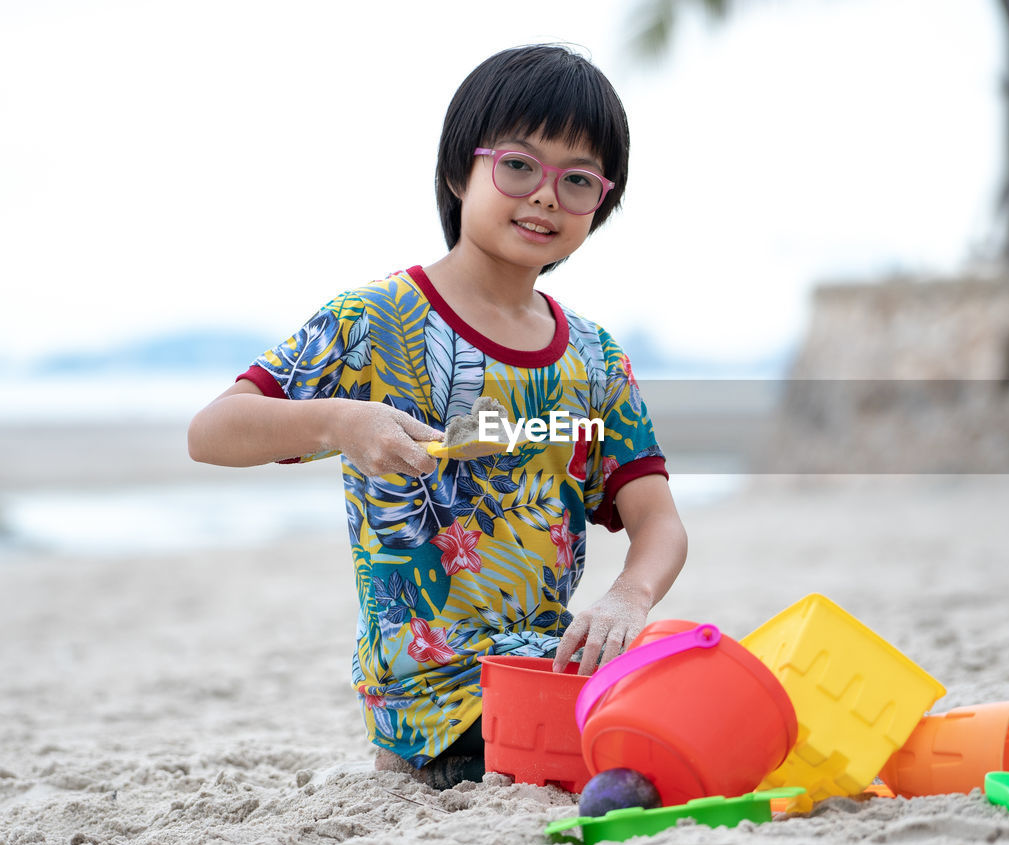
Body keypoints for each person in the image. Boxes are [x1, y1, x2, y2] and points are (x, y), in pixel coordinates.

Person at [187, 45, 688, 789]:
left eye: (577, 180)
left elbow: (660, 523)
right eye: (519, 166)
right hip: (431, 698)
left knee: (704, 692)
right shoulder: (376, 319)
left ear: (600, 204)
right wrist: (340, 423)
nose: (546, 196)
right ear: (461, 172)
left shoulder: (593, 357)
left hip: (548, 666)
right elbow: (211, 431)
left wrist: (628, 594)